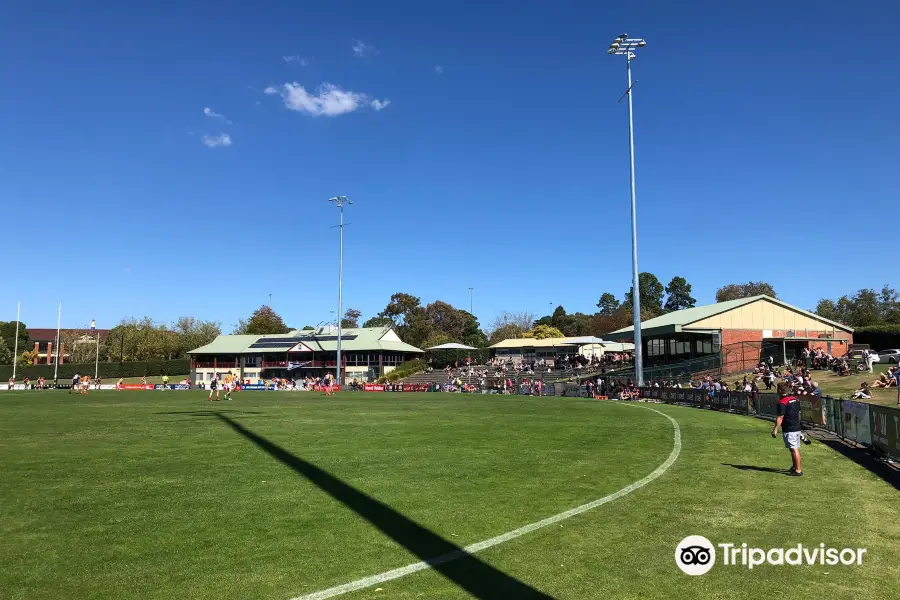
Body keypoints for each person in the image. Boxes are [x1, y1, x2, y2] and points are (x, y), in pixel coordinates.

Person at [772, 382, 805, 476]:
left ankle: (798, 470)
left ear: (780, 391)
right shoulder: (795, 399)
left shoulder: (782, 402)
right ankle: (795, 467)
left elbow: (780, 417)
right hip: (796, 426)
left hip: (790, 428)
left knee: (794, 449)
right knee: (793, 449)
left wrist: (775, 429)